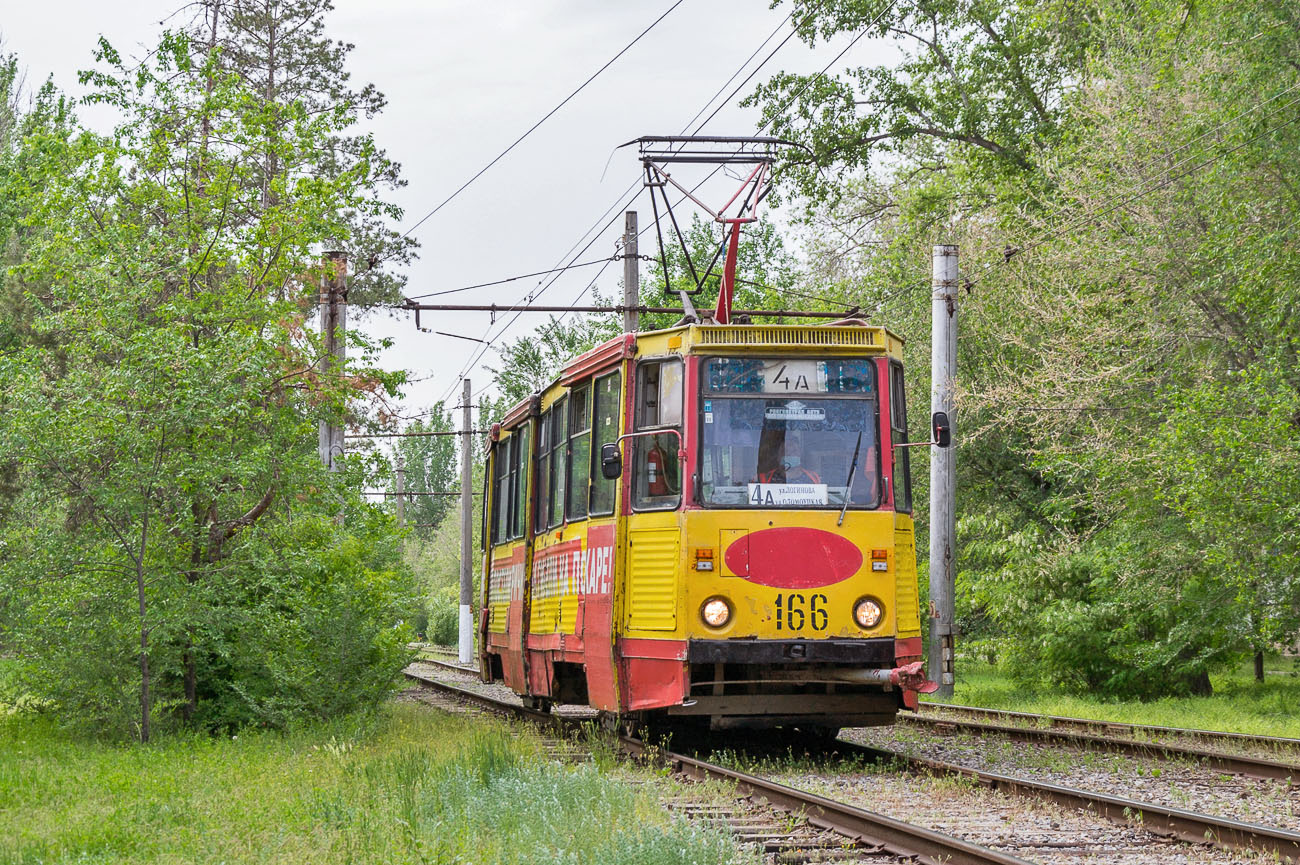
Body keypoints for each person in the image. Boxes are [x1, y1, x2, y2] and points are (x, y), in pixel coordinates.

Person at [757, 433, 821, 484]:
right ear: (778, 456)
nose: (790, 454)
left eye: (794, 451)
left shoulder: (814, 478)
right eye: (785, 451)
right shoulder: (764, 479)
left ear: (800, 455)